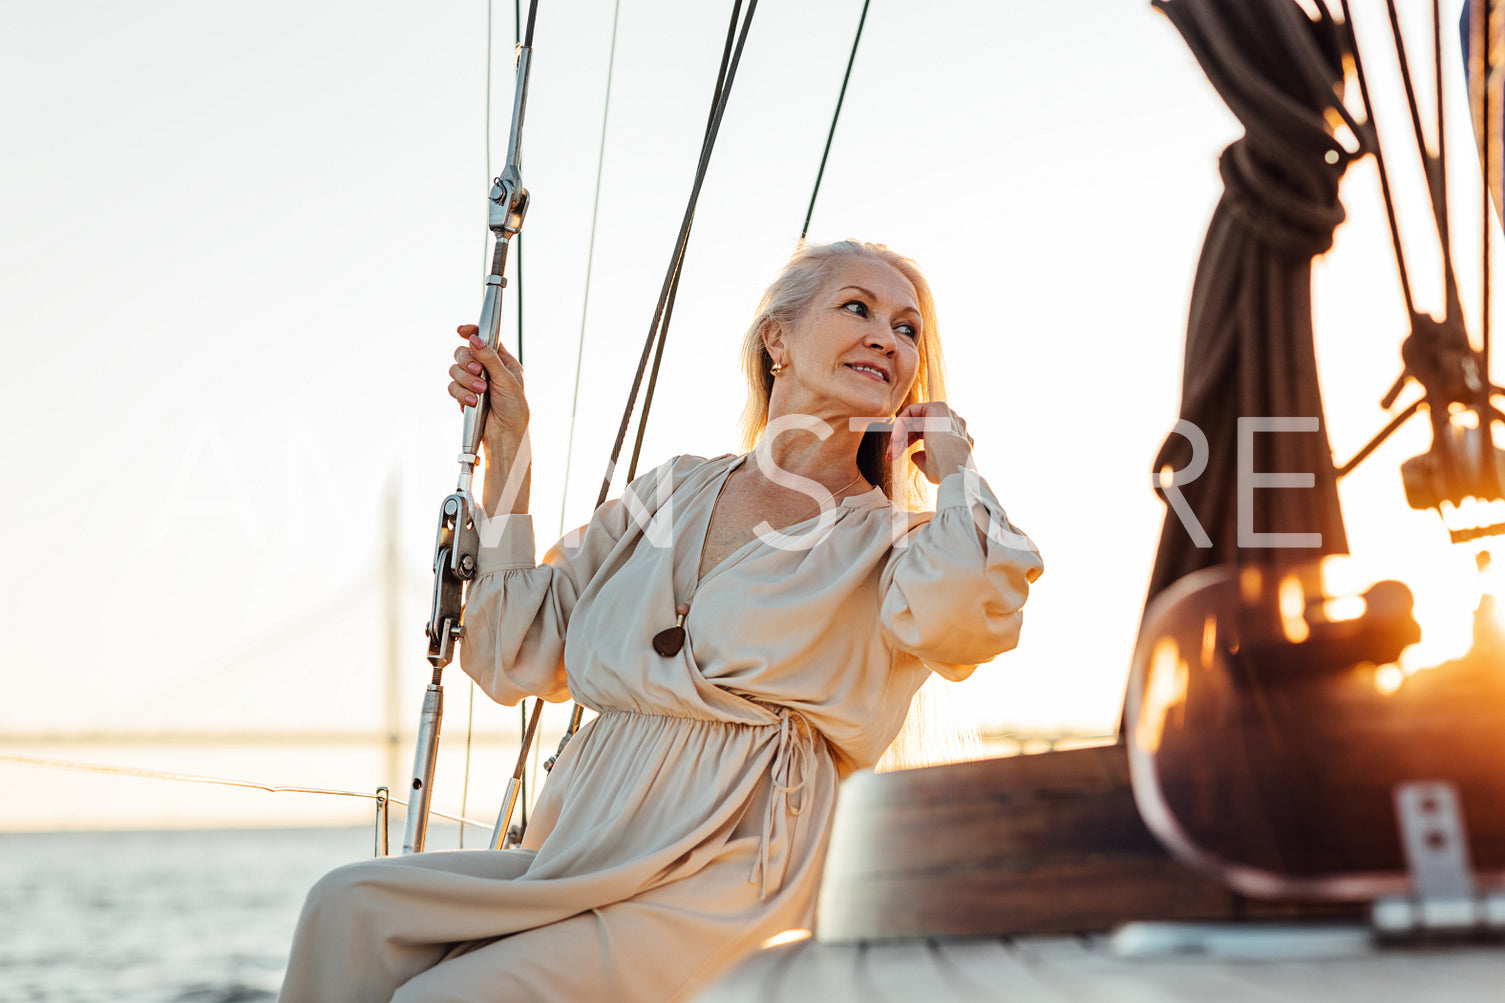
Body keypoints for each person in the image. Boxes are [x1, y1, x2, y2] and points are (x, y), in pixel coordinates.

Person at [278, 239, 1044, 1002]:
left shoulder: (895, 543)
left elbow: (969, 619)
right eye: (857, 308)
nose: (886, 336)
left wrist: (953, 468)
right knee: (345, 909)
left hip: (737, 866)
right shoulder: (673, 489)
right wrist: (511, 441)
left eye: (907, 329)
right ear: (777, 337)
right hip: (585, 839)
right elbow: (518, 648)